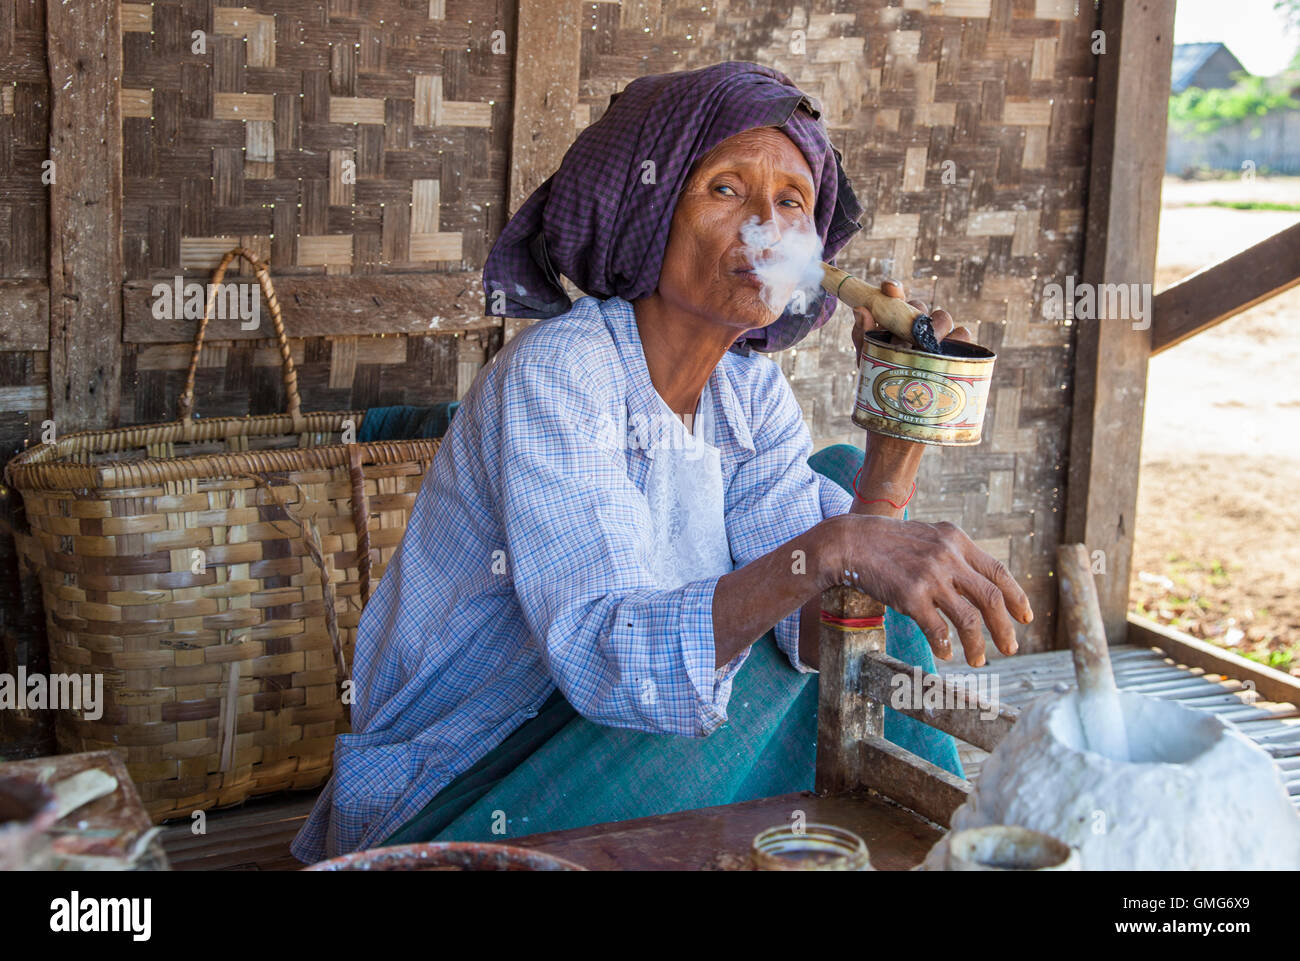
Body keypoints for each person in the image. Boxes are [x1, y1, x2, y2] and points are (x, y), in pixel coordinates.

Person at [291, 61, 1032, 864]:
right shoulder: (560, 373)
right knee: (827, 563)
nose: (768, 226)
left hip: (619, 748)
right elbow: (610, 661)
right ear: (651, 218)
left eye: (792, 203)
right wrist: (835, 548)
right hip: (463, 783)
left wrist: (893, 461)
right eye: (725, 191)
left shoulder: (749, 391)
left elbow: (824, 643)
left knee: (853, 514)